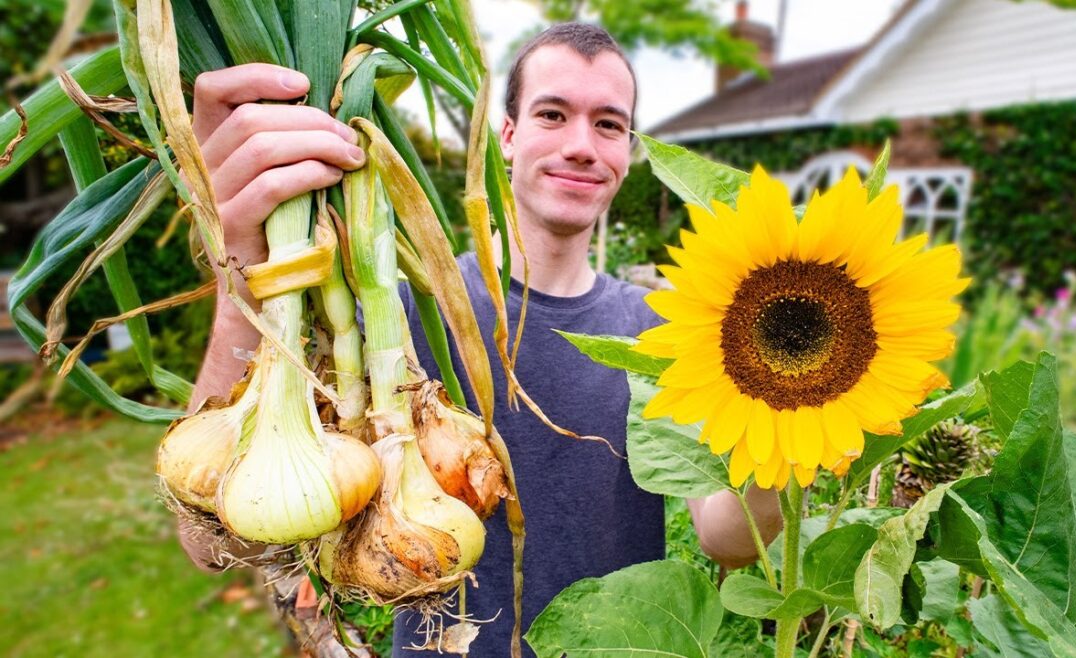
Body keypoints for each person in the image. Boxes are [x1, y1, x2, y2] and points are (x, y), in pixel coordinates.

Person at [180, 23, 782, 657]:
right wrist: (242, 275)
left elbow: (726, 540)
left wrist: (786, 434)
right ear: (509, 135)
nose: (582, 145)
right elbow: (214, 544)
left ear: (627, 153)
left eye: (609, 124)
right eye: (553, 114)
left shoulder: (663, 331)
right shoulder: (399, 318)